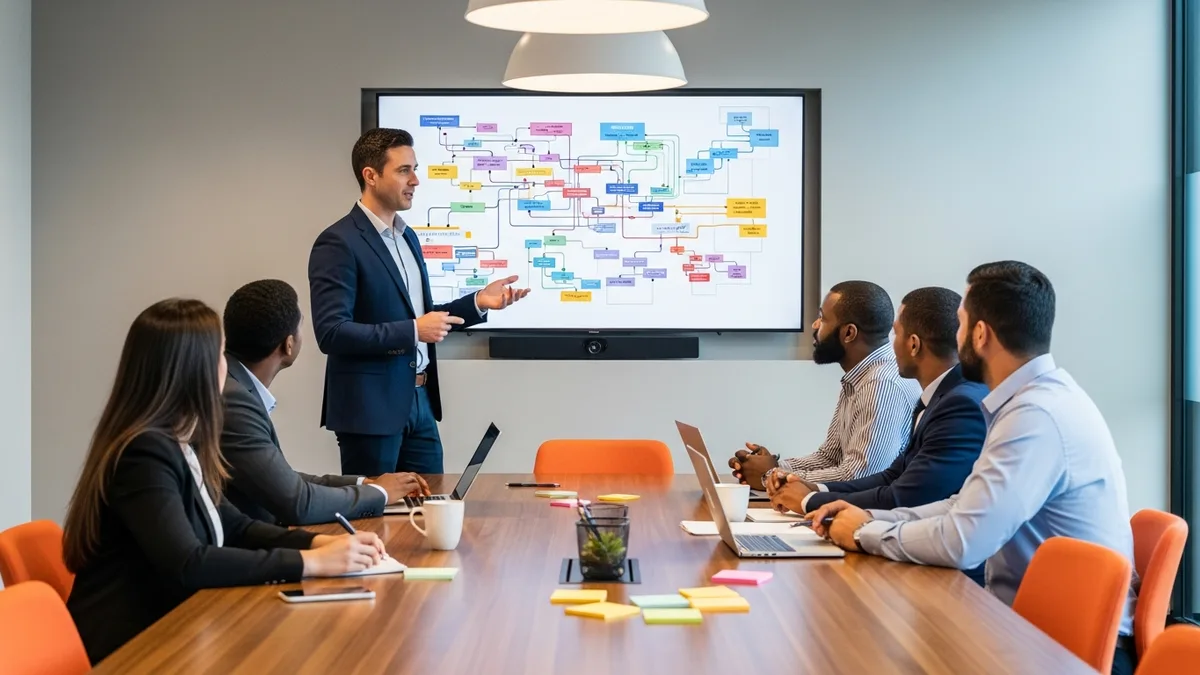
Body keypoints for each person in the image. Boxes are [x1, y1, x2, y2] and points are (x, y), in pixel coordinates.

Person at [807, 261, 1139, 675]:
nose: (954, 334)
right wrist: (867, 516)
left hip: (1061, 651)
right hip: (1030, 631)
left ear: (980, 335)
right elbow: (962, 505)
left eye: (961, 323)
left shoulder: (1035, 416)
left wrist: (862, 532)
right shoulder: (1032, 402)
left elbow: (961, 540)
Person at [63, 299, 387, 664]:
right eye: (220, 355)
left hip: (179, 626)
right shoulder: (144, 454)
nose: (226, 367)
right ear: (194, 369)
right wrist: (308, 563)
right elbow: (189, 563)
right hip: (132, 649)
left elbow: (236, 527)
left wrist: (318, 542)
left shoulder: (181, 441)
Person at [308, 127, 530, 476]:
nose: (416, 180)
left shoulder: (407, 236)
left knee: (431, 510)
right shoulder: (338, 243)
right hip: (370, 411)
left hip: (421, 402)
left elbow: (422, 316)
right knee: (376, 515)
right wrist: (412, 331)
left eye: (415, 168)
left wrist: (478, 303)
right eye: (403, 170)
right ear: (370, 176)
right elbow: (332, 333)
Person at [769, 286, 988, 584]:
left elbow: (908, 495)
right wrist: (814, 492)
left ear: (913, 345)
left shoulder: (959, 403)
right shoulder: (939, 397)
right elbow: (891, 476)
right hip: (920, 553)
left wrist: (811, 501)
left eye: (895, 334)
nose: (889, 344)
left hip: (954, 579)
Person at [220, 279, 430, 526]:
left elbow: (284, 481)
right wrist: (380, 494)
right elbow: (297, 503)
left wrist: (365, 483)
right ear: (289, 344)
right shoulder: (234, 401)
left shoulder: (232, 386)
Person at [728, 280, 920, 489]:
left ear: (849, 333)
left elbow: (860, 476)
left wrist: (772, 476)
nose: (815, 325)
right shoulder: (860, 377)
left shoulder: (881, 385)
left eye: (822, 318)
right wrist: (772, 465)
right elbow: (830, 457)